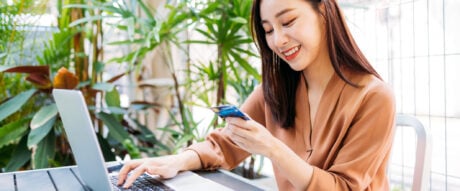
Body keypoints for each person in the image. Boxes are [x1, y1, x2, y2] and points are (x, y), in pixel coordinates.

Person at [117, 0, 396, 190]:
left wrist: (272, 148)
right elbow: (224, 145)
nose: (278, 40)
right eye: (268, 30)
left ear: (323, 12)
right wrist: (173, 161)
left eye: (287, 22)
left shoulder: (374, 97)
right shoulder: (275, 90)